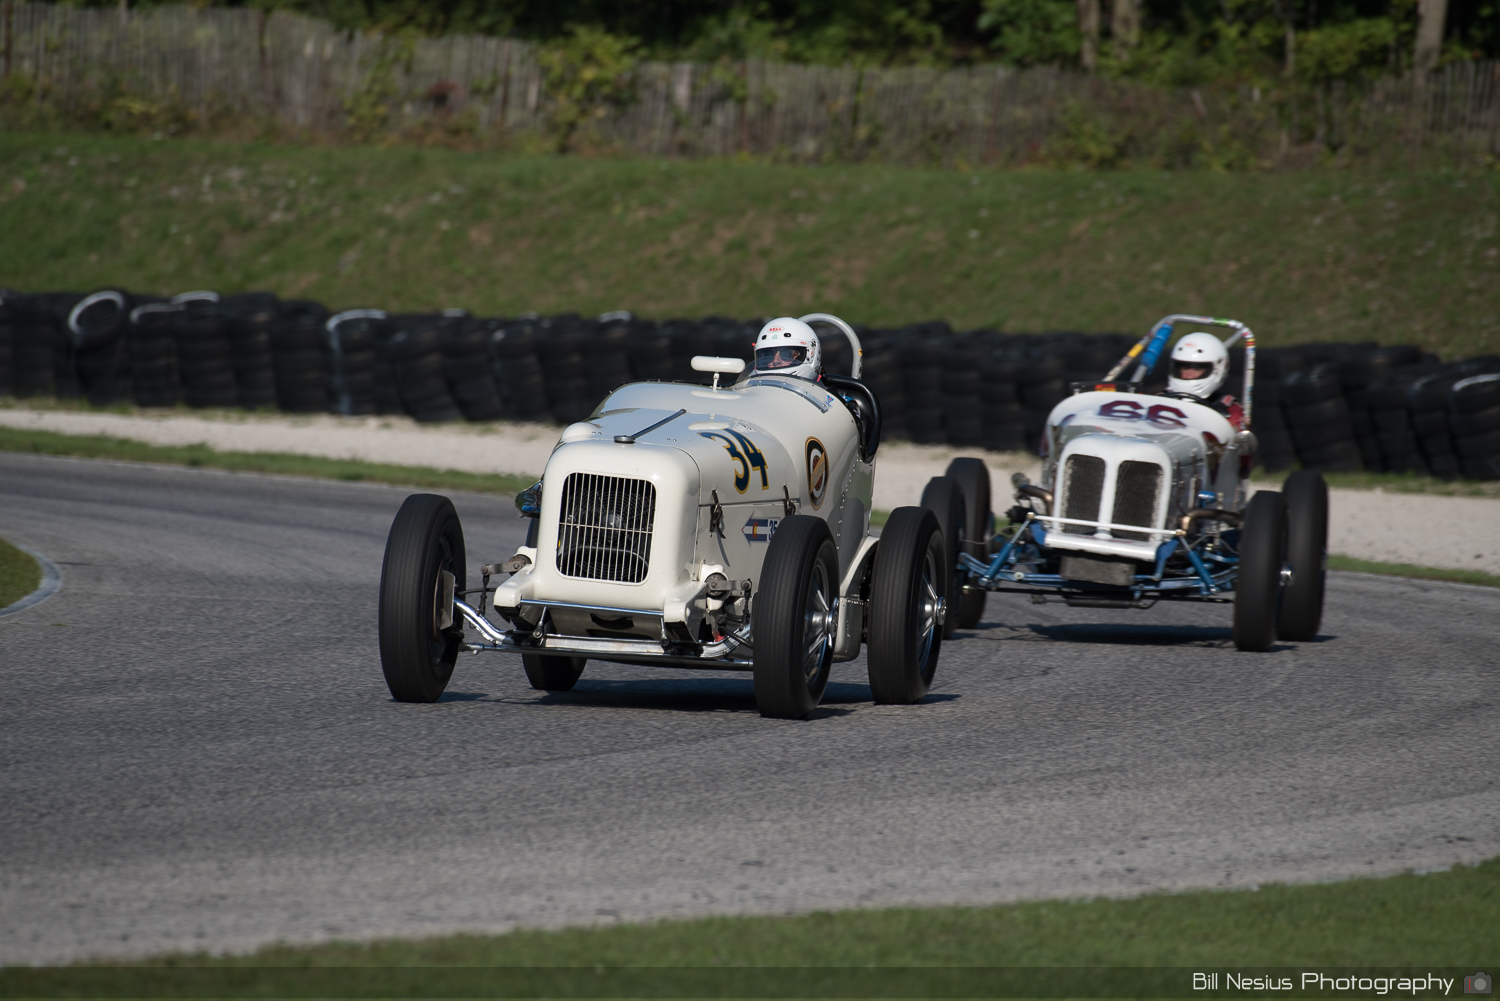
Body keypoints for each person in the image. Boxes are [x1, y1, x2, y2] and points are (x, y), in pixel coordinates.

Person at [1162, 332, 1243, 428]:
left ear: (1218, 370)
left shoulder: (1229, 412)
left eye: (1197, 369)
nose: (1189, 375)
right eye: (1185, 368)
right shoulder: (1161, 399)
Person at [751, 317, 822, 382]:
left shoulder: (825, 394)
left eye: (786, 355)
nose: (775, 361)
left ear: (811, 355)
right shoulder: (751, 388)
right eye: (769, 355)